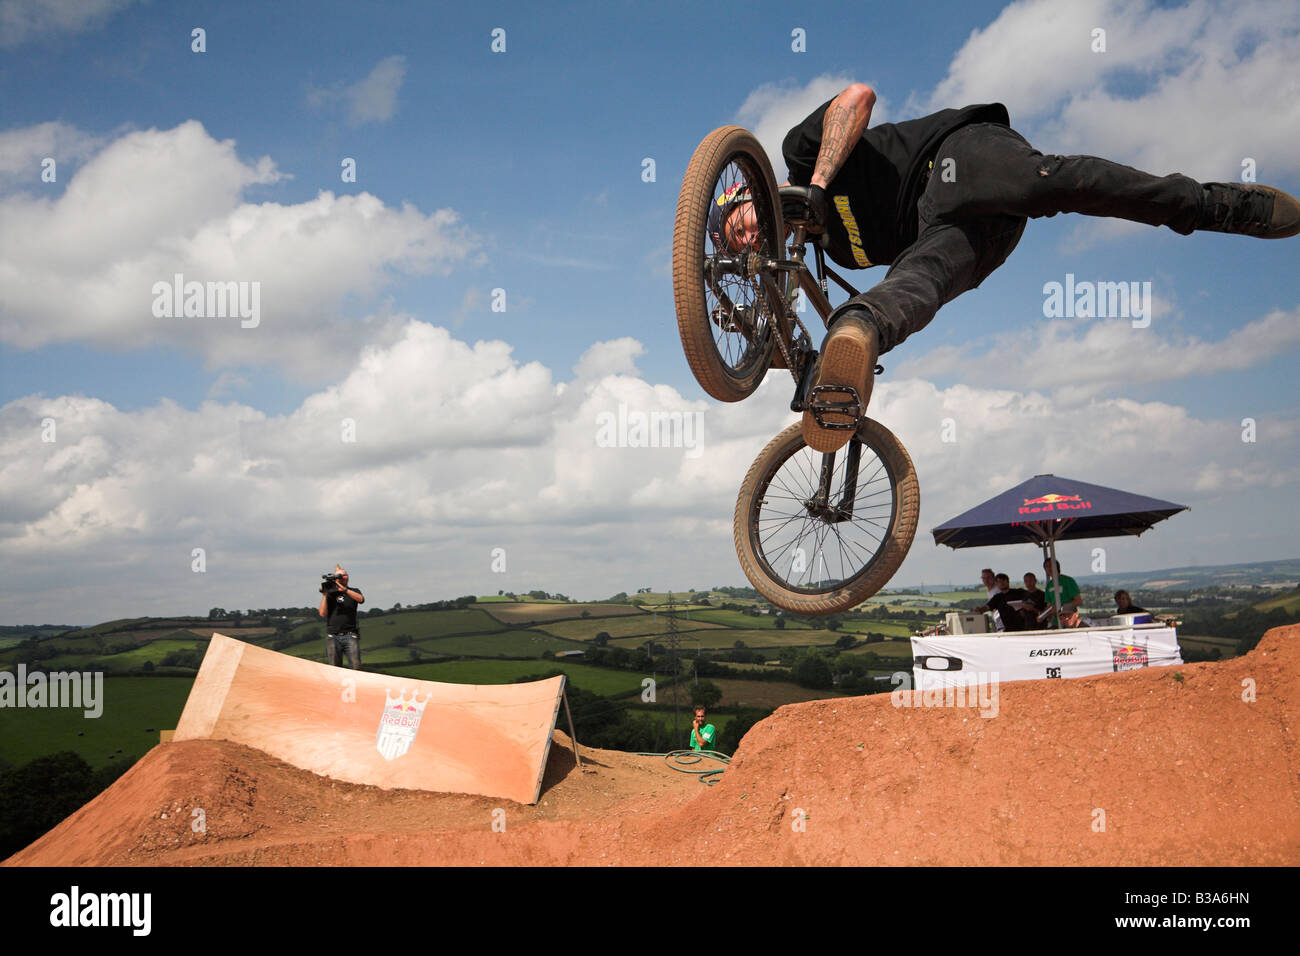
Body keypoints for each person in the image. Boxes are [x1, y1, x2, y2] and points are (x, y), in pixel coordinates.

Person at [710, 84, 1300, 452]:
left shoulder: (799, 151)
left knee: (1055, 183)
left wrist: (814, 184)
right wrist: (757, 332)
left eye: (738, 224)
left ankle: (1211, 203)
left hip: (955, 160)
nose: (746, 239)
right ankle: (861, 329)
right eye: (737, 246)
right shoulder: (837, 251)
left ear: (748, 195)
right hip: (968, 233)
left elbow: (858, 96)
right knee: (917, 285)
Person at [318, 564, 365, 669]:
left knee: (356, 666)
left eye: (344, 575)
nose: (343, 577)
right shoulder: (330, 594)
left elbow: (361, 599)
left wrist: (345, 590)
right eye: (339, 576)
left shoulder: (354, 591)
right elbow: (322, 613)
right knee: (334, 668)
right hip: (333, 635)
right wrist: (325, 594)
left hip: (350, 634)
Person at [1039, 559, 1082, 628]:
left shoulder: (1068, 581)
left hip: (1070, 621)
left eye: (1051, 566)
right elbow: (1049, 606)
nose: (1049, 568)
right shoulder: (1049, 585)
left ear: (1057, 567)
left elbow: (1078, 601)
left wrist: (1061, 607)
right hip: (1056, 622)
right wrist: (1043, 615)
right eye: (1046, 567)